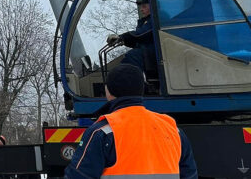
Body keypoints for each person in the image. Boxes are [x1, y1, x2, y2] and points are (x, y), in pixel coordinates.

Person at [64, 64, 197, 179]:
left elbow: (79, 175)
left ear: (108, 91)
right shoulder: (173, 130)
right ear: (141, 90)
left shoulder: (103, 132)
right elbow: (189, 174)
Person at [107, 0, 155, 74]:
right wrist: (124, 41)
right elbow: (139, 41)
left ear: (153, 6)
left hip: (155, 54)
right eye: (141, 7)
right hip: (148, 54)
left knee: (131, 58)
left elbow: (140, 34)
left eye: (144, 6)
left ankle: (127, 83)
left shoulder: (156, 20)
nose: (141, 9)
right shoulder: (145, 21)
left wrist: (121, 37)